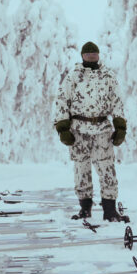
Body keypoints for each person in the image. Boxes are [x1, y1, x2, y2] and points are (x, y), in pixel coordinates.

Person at [53, 41, 129, 222]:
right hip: (79, 131)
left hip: (102, 130)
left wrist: (120, 127)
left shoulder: (108, 76)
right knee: (81, 170)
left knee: (107, 169)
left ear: (98, 55)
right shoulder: (73, 77)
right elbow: (62, 102)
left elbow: (117, 102)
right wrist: (63, 128)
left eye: (94, 54)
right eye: (88, 54)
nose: (91, 56)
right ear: (82, 56)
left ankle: (109, 210)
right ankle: (85, 208)